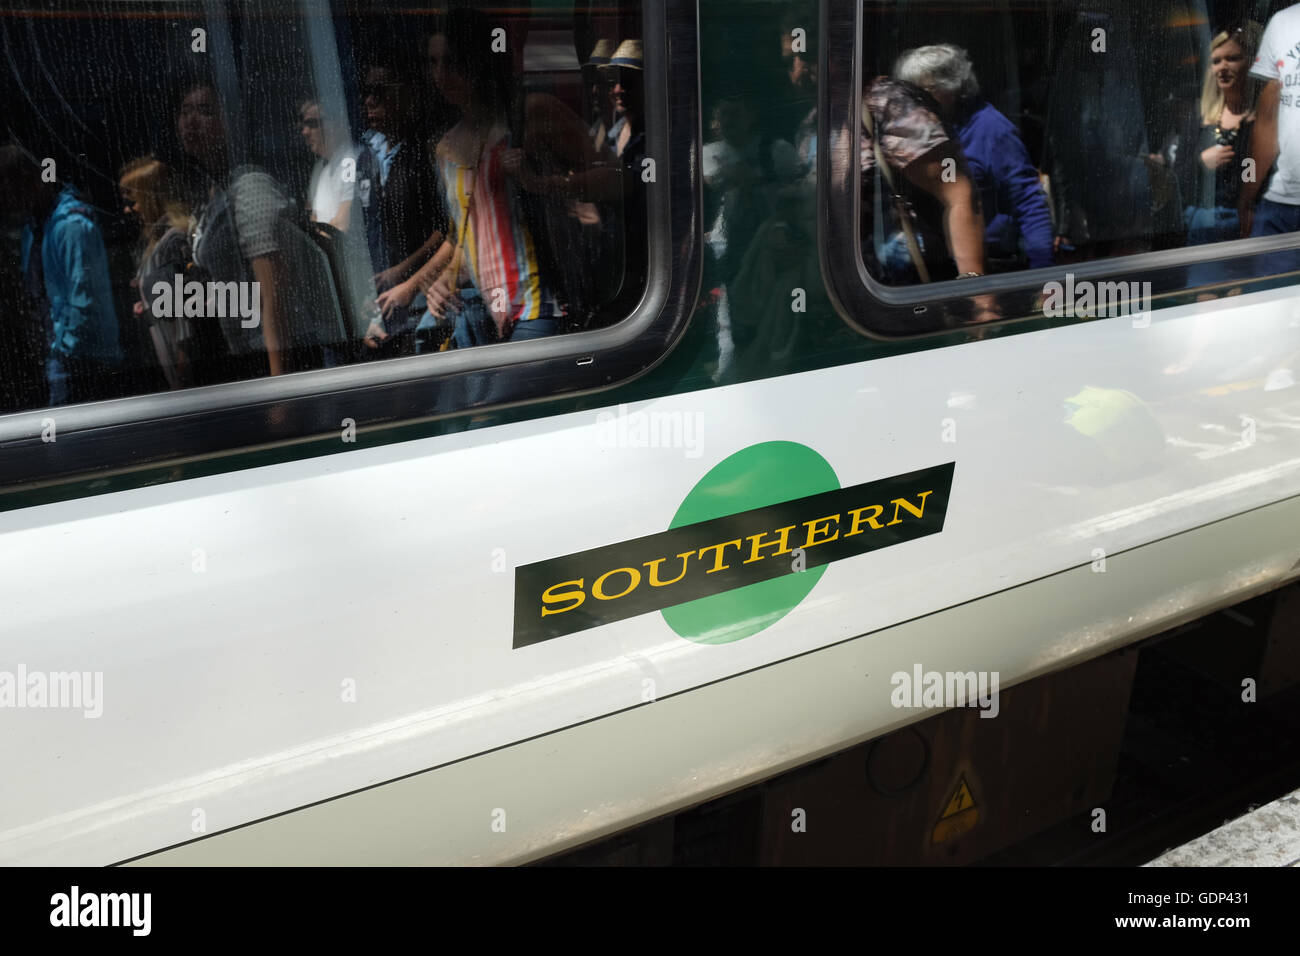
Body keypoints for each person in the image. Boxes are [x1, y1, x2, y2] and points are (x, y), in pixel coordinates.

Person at [177, 78, 345, 379]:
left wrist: (280, 391)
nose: (191, 121)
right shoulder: (216, 194)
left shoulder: (249, 186)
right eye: (184, 111)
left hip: (282, 359)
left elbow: (274, 297)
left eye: (205, 111)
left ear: (231, 121)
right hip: (249, 355)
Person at [894, 44, 1055, 272]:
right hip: (937, 264)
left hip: (988, 266)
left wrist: (1043, 274)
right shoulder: (926, 129)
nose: (912, 102)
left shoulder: (992, 130)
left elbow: (1029, 203)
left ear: (950, 88)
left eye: (922, 91)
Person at [0, 145, 123, 405]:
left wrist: (63, 350)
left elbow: (84, 300)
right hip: (60, 357)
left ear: (32, 181)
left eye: (10, 191)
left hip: (85, 361)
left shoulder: (71, 226)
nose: (8, 202)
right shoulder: (33, 229)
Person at [1172, 26, 1261, 249]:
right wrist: (1201, 163)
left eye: (1232, 58)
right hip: (1202, 226)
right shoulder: (1200, 117)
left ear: (1250, 62)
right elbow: (1176, 181)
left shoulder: (1263, 120)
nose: (1222, 67)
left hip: (1248, 226)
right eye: (1216, 61)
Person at [119, 156, 194, 389]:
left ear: (150, 197)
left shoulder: (173, 240)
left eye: (133, 201)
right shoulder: (156, 241)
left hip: (183, 358)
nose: (128, 209)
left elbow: (184, 309)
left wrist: (184, 359)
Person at [1239, 6, 1300, 278]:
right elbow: (1266, 124)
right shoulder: (1284, 22)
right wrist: (1247, 197)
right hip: (1282, 208)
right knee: (1263, 308)